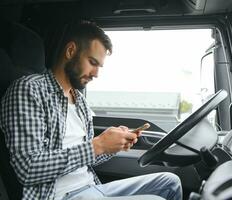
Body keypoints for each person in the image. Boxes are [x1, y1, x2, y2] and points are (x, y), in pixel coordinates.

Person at [0, 20, 182, 200]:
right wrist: (98, 145)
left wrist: (113, 145)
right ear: (71, 51)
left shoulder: (80, 102)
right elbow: (28, 169)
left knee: (170, 181)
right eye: (92, 62)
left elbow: (86, 157)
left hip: (91, 187)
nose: (96, 74)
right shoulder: (28, 90)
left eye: (99, 66)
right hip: (58, 195)